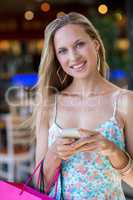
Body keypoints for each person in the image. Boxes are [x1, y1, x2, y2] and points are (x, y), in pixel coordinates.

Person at [34, 12, 133, 199]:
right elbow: (40, 188)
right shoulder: (48, 105)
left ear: (95, 44)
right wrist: (54, 154)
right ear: (57, 58)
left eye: (79, 44)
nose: (73, 57)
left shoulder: (125, 101)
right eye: (62, 51)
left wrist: (113, 151)